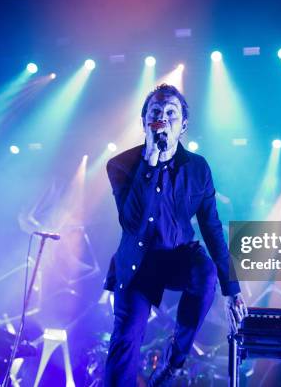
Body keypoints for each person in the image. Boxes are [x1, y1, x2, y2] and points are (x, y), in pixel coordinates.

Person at [103, 84, 247, 386]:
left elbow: (211, 227)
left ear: (182, 126)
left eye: (171, 114)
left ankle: (175, 361)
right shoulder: (120, 166)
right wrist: (150, 162)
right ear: (144, 122)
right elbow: (131, 223)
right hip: (137, 264)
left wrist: (231, 288)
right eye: (155, 113)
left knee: (206, 273)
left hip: (180, 256)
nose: (162, 119)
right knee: (126, 339)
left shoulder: (197, 168)